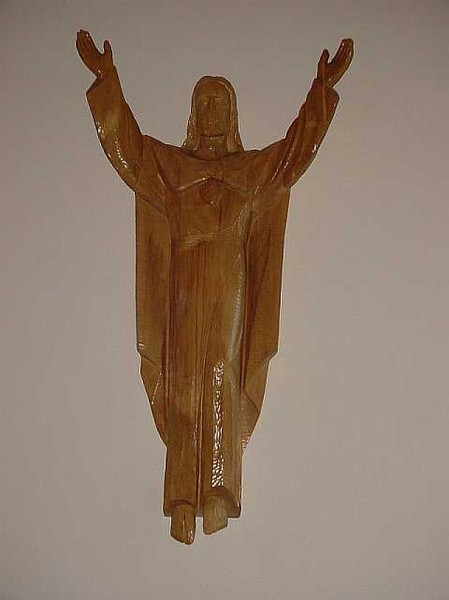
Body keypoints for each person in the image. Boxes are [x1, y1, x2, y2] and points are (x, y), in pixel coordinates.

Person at [76, 31, 353, 544]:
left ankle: (220, 491)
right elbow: (127, 149)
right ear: (192, 114)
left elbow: (295, 152)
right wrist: (106, 80)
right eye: (203, 102)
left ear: (232, 114)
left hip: (231, 286)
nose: (211, 110)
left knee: (222, 372)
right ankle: (182, 497)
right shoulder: (168, 169)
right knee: (183, 381)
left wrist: (322, 90)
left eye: (219, 102)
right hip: (182, 284)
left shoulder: (252, 171)